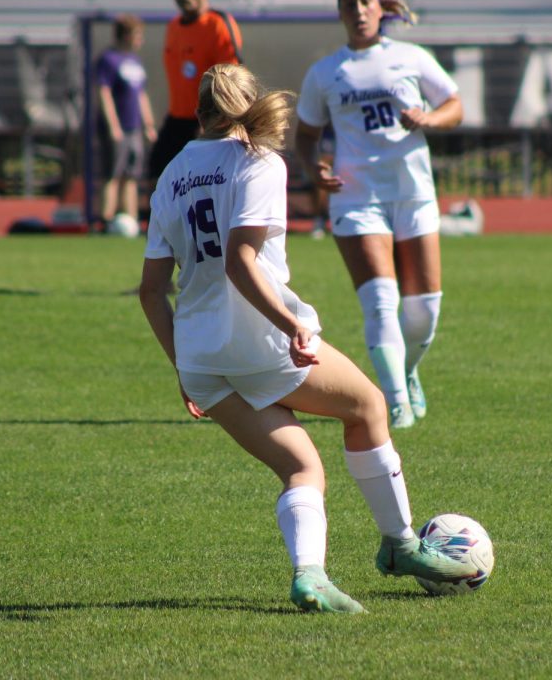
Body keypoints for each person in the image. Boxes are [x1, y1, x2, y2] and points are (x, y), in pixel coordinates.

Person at [138, 63, 474, 614]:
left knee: (301, 467)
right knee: (367, 406)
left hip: (201, 358)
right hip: (260, 344)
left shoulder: (171, 173)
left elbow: (152, 291)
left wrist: (183, 369)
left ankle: (310, 577)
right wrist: (292, 324)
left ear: (199, 112)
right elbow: (241, 265)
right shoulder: (258, 162)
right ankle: (400, 545)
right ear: (247, 107)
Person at [294, 0, 463, 430]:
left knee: (424, 309)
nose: (359, 10)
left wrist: (428, 117)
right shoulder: (326, 72)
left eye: (365, 1)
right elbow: (305, 135)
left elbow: (455, 104)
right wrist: (314, 170)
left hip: (412, 191)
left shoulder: (410, 57)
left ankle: (406, 371)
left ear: (380, 8)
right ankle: (394, 403)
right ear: (340, 12)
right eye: (349, 3)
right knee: (380, 302)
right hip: (356, 196)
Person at [149, 0, 243, 187]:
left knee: (200, 186)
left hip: (207, 120)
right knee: (157, 173)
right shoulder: (173, 27)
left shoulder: (218, 24)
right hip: (177, 119)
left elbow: (230, 81)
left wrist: (212, 124)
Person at [97, 14, 157, 227]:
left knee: (132, 176)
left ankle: (129, 221)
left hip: (134, 128)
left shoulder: (135, 61)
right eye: (137, 34)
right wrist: (113, 125)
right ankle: (105, 222)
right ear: (126, 35)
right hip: (118, 129)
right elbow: (104, 92)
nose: (140, 40)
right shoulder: (108, 59)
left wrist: (148, 124)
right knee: (113, 174)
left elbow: (141, 94)